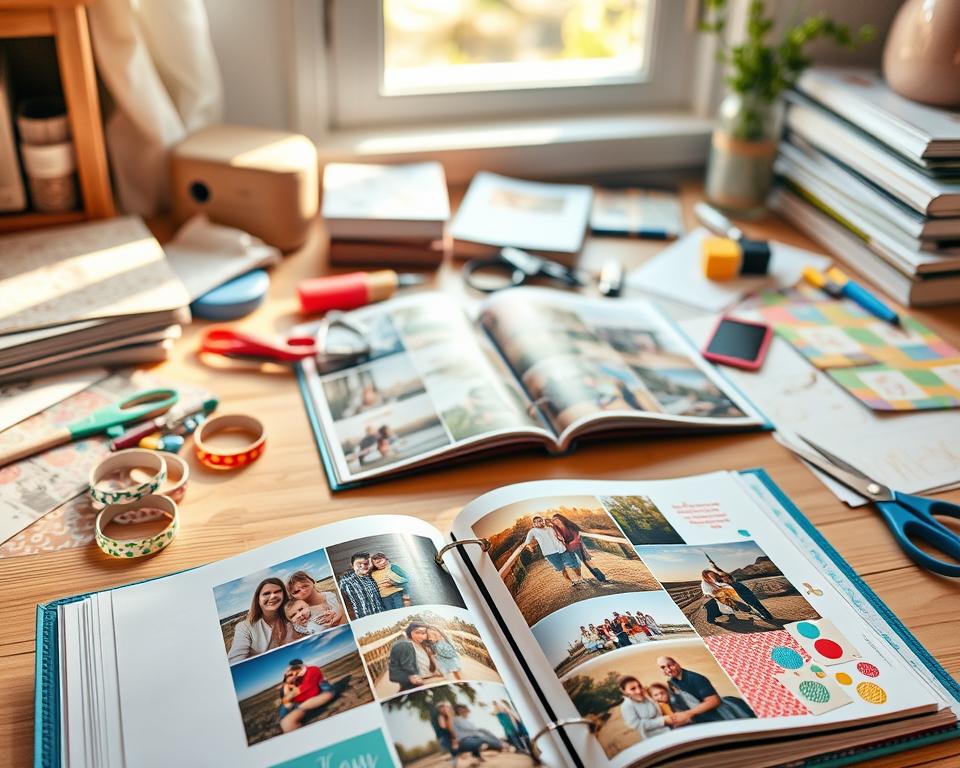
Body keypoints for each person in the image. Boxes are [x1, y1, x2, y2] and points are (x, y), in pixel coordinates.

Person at [657, 656, 754, 725]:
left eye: (670, 665)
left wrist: (687, 714)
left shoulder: (694, 678)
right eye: (663, 667)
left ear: (677, 664)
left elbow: (714, 701)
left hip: (717, 713)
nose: (668, 670)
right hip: (699, 716)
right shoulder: (672, 682)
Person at [227, 578, 296, 662]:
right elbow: (234, 661)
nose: (273, 596)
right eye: (266, 593)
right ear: (258, 599)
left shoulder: (294, 616)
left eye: (278, 591)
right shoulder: (244, 627)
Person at [279, 658, 339, 733]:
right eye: (291, 670)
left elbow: (311, 692)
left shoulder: (313, 670)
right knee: (284, 713)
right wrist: (286, 684)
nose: (292, 671)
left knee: (288, 720)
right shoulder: (296, 678)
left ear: (301, 666)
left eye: (294, 668)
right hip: (308, 697)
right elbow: (286, 697)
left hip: (324, 692)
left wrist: (290, 698)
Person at [523, 515, 585, 587]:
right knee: (562, 569)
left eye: (540, 521)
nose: (538, 523)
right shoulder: (533, 531)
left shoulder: (550, 528)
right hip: (550, 554)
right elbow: (527, 542)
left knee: (574, 565)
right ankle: (571, 582)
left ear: (543, 521)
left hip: (562, 549)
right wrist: (530, 547)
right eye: (536, 522)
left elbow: (559, 533)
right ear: (534, 524)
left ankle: (580, 578)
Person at [550, 513, 607, 583]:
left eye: (556, 519)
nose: (555, 521)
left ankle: (601, 578)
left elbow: (577, 537)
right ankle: (582, 578)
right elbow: (558, 539)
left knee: (588, 562)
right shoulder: (556, 529)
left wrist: (570, 543)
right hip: (568, 548)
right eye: (553, 520)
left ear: (561, 519)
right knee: (574, 564)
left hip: (578, 546)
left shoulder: (569, 526)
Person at [388, 622, 442, 691]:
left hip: (429, 685)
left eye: (424, 633)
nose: (423, 636)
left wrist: (434, 673)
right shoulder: (403, 646)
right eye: (418, 632)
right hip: (413, 690)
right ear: (410, 632)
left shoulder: (423, 645)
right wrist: (410, 678)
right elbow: (393, 675)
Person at [338, 553, 386, 618]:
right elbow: (343, 604)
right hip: (363, 618)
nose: (363, 566)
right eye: (359, 564)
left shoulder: (373, 576)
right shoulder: (345, 582)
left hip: (382, 613)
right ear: (352, 565)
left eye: (366, 563)